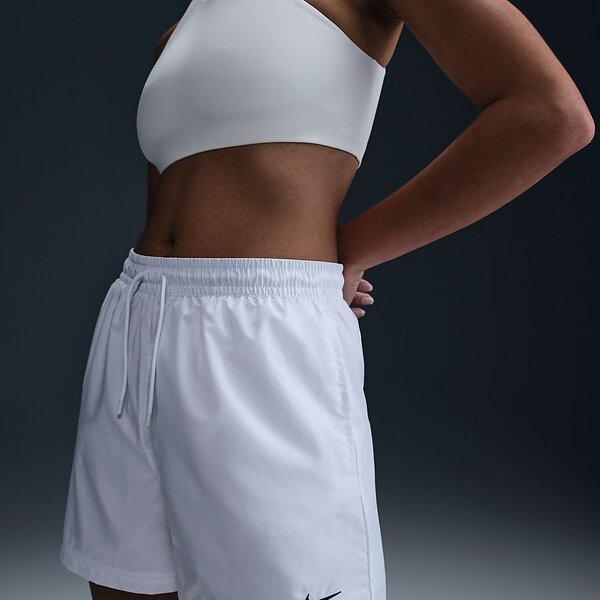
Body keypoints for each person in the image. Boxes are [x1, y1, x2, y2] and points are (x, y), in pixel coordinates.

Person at [59, 1, 594, 599]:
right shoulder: (180, 32)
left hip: (260, 336)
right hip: (135, 324)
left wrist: (350, 249)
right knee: (124, 586)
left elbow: (550, 113)